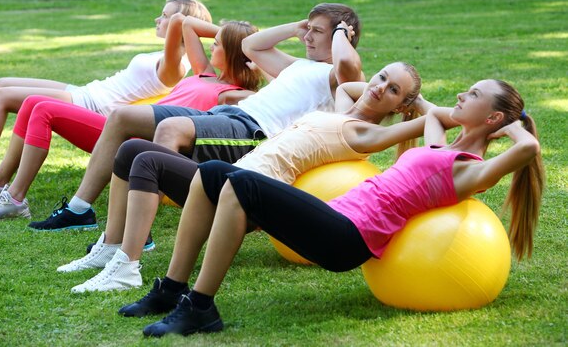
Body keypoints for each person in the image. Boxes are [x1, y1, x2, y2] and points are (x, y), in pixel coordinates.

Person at [136, 79, 544, 337]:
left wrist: (515, 126)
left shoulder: (469, 171)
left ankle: (201, 307)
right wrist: (432, 105)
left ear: (492, 117)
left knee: (239, 182)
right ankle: (172, 290)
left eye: (472, 94)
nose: (461, 93)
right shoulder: (441, 148)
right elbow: (435, 115)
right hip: (335, 215)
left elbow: (529, 149)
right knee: (211, 173)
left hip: (348, 238)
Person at [55, 62, 433, 293]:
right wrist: (393, 94)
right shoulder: (344, 109)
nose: (379, 86)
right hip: (237, 175)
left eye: (392, 90)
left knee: (148, 162)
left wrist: (420, 106)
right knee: (131, 149)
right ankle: (111, 245)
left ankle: (127, 266)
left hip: (247, 194)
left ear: (399, 105)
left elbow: (439, 118)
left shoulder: (369, 133)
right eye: (382, 76)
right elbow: (351, 87)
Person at [30, 2, 364, 232]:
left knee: (170, 130)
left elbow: (350, 66)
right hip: (227, 115)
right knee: (122, 118)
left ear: (340, 38)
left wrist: (339, 35)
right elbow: (251, 45)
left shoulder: (334, 75)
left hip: (252, 131)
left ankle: (136, 235)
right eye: (309, 29)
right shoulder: (299, 65)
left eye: (316, 32)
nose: (307, 36)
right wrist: (297, 27)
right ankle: (78, 209)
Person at [0, 16, 263, 221]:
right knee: (32, 103)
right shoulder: (205, 72)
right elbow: (184, 23)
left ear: (235, 54)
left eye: (219, 44)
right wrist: (234, 33)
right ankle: (2, 183)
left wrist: (244, 43)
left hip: (137, 138)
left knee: (42, 108)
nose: (212, 44)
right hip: (126, 128)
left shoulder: (231, 94)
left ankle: (15, 199)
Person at [0, 0, 211, 193]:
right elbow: (176, 23)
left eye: (164, 16)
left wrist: (180, 20)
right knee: (1, 84)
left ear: (183, 25)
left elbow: (177, 23)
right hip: (87, 92)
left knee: (1, 99)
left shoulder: (175, 66)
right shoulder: (163, 55)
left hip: (92, 107)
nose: (159, 19)